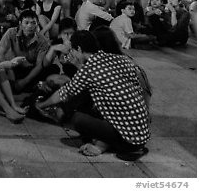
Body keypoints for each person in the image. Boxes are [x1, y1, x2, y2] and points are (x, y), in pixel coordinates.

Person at [35, 30, 150, 159]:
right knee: (91, 100)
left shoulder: (88, 69)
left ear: (78, 48)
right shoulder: (119, 58)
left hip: (128, 141)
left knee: (77, 118)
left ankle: (105, 144)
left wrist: (42, 104)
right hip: (142, 134)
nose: (71, 53)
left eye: (72, 49)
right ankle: (104, 141)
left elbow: (64, 93)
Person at [0, 10, 51, 93]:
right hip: (13, 66)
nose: (30, 26)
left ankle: (22, 88)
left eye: (33, 23)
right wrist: (10, 70)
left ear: (37, 25)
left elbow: (38, 66)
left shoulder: (43, 41)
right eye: (26, 23)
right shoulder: (11, 32)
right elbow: (0, 54)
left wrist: (24, 82)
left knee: (50, 70)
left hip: (30, 70)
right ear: (20, 24)